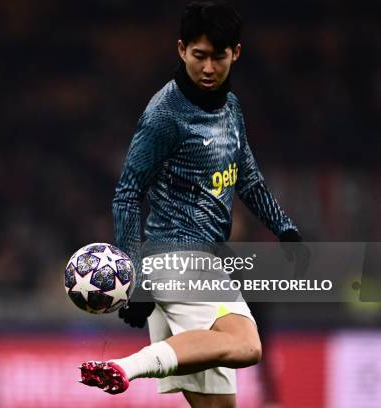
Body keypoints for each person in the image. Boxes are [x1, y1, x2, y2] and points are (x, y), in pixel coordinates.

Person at [79, 1, 304, 407]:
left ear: (235, 53)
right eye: (199, 55)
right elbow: (128, 192)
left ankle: (129, 366)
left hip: (195, 265)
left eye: (218, 57)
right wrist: (134, 281)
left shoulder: (230, 108)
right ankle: (128, 367)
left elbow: (247, 178)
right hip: (181, 260)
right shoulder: (164, 114)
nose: (208, 67)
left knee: (218, 407)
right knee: (247, 344)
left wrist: (284, 227)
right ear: (181, 49)